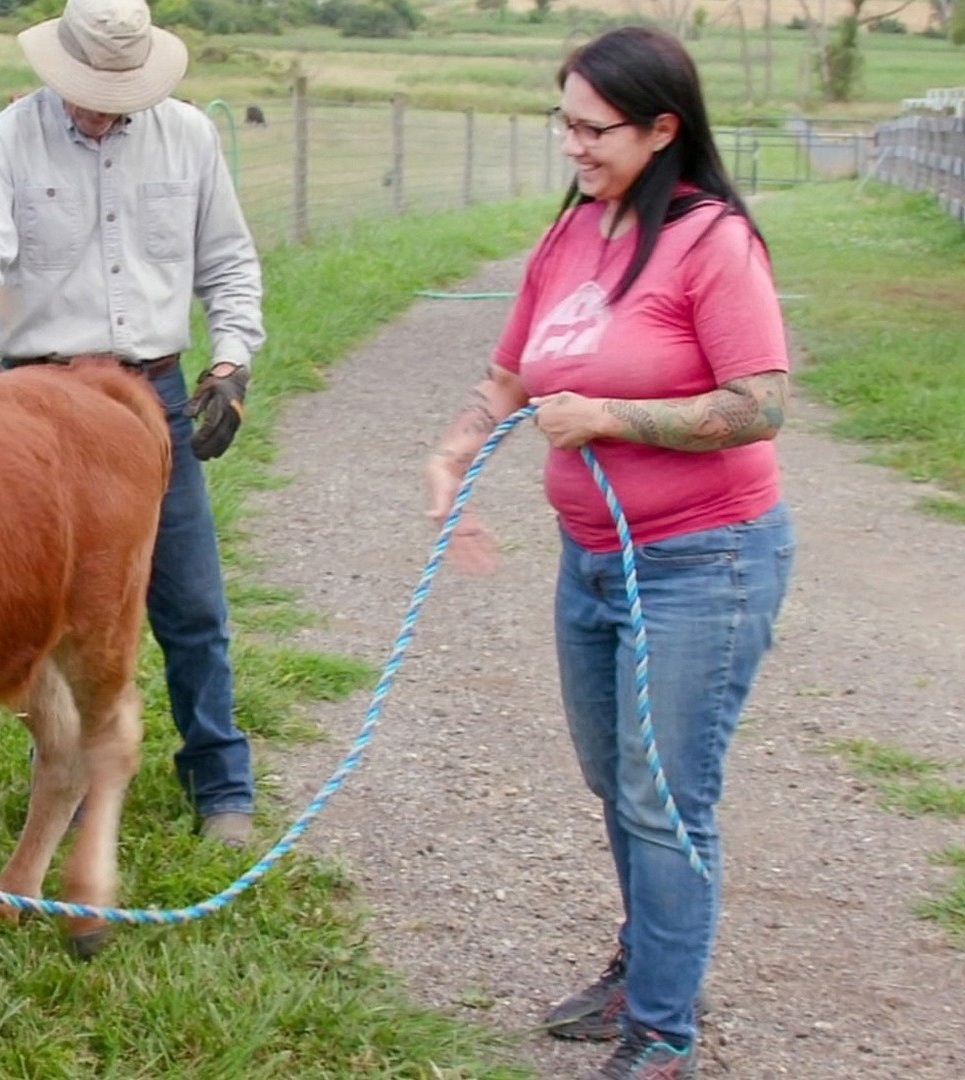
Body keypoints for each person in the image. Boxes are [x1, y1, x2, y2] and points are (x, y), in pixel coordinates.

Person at [423, 27, 794, 1079]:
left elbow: (762, 403)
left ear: (662, 127)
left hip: (704, 561)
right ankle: (647, 968)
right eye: (565, 122)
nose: (573, 145)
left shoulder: (712, 240)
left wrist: (615, 418)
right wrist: (452, 455)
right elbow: (511, 377)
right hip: (592, 559)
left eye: (594, 128)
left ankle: (662, 1032)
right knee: (613, 778)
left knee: (664, 796)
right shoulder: (573, 233)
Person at [0, 0, 262, 846]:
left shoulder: (188, 138)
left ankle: (220, 779)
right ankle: (72, 774)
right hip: (35, 406)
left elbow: (227, 261)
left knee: (190, 598)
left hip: (149, 396)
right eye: (86, 88)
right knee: (45, 606)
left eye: (119, 91)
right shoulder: (3, 142)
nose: (100, 104)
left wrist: (231, 363)